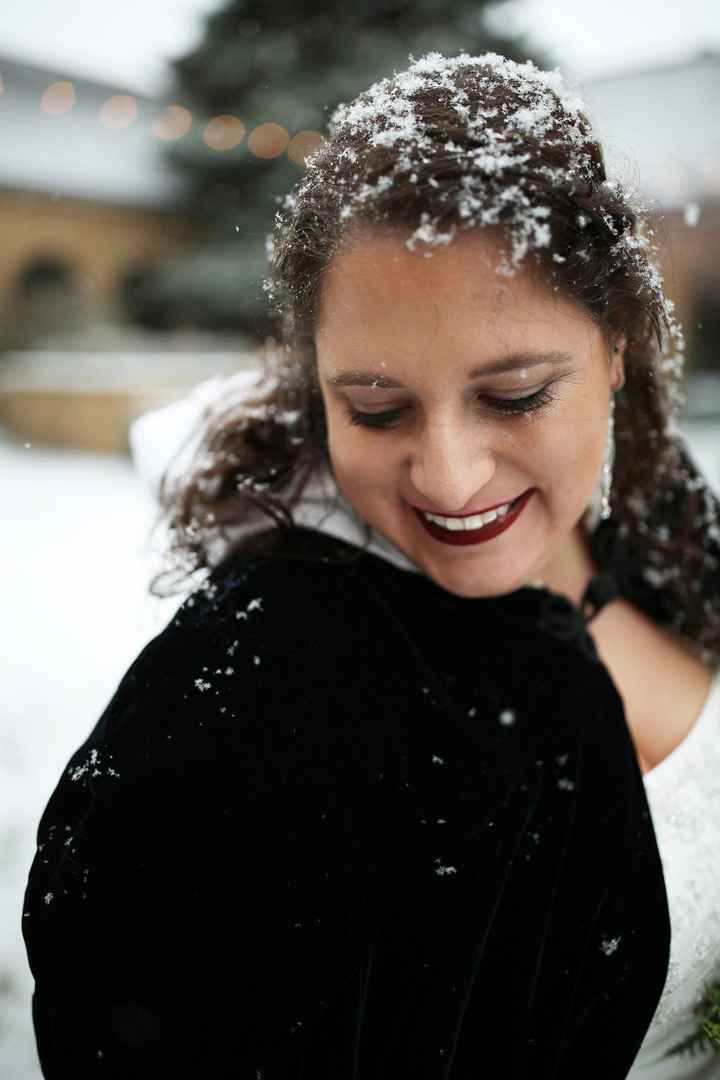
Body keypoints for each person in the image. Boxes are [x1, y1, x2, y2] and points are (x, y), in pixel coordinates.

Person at [22, 52, 720, 1079]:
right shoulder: (254, 682)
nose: (448, 475)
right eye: (377, 408)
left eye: (516, 394)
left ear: (616, 344)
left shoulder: (671, 534)